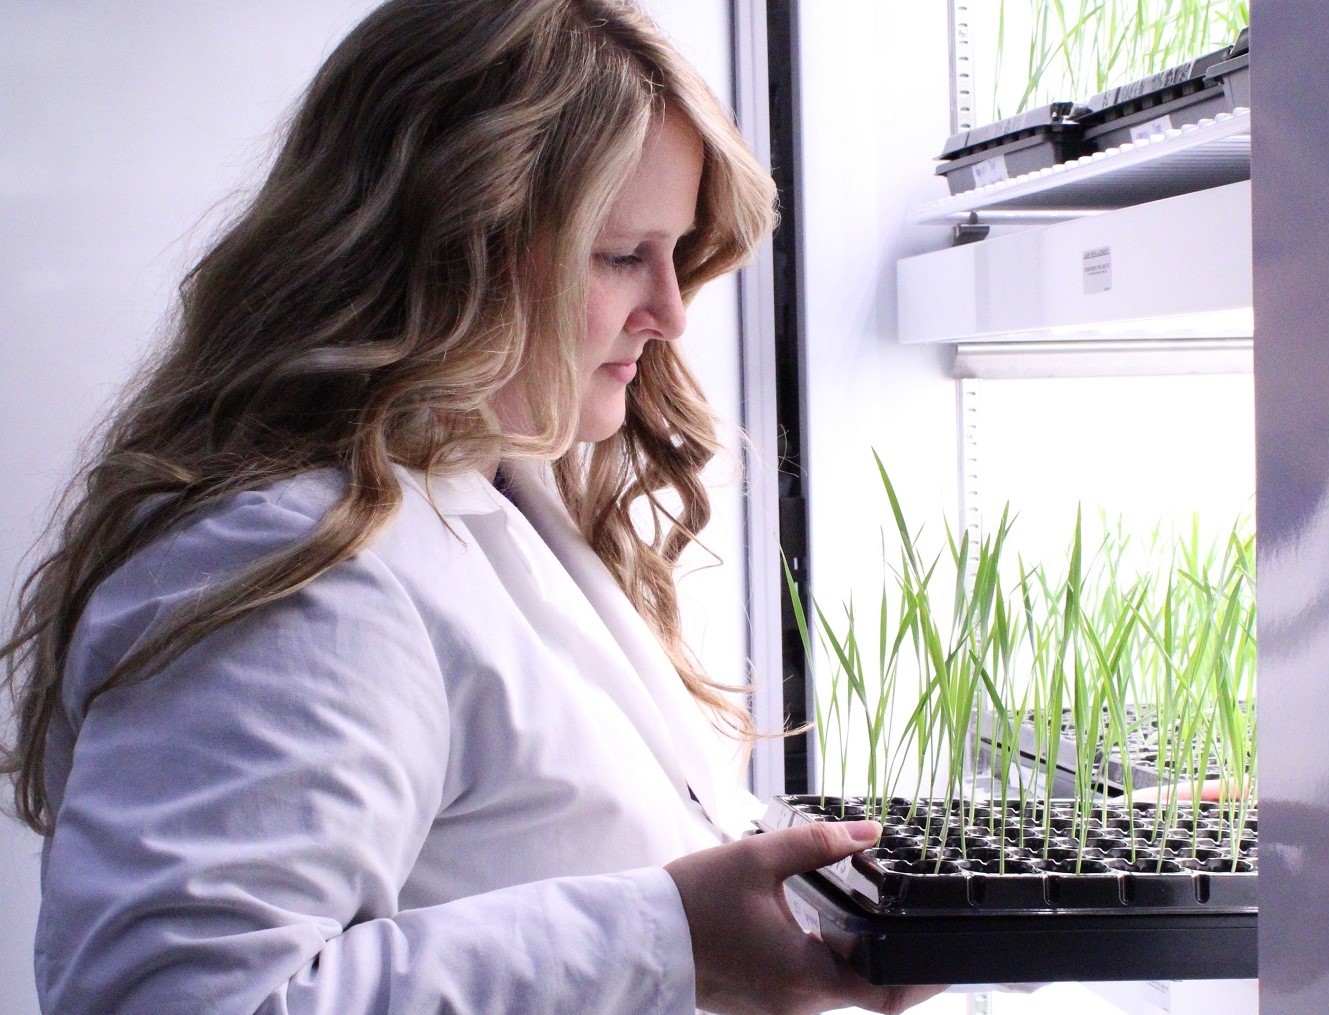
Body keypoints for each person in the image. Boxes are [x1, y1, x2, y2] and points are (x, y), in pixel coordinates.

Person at [0, 1, 941, 1013]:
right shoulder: (294, 565)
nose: (669, 312)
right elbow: (170, 1000)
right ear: (452, 246)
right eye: (621, 253)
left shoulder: (500, 489)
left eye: (676, 252)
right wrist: (671, 940)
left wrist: (802, 914)